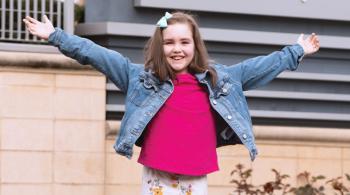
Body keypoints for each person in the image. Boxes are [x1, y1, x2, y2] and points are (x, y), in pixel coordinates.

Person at [23, 11, 320, 195]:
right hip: (157, 173)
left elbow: (261, 66)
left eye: (184, 42)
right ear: (160, 46)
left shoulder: (220, 80)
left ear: (195, 46)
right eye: (169, 43)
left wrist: (297, 50)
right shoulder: (140, 78)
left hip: (195, 174)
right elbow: (98, 55)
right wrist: (56, 36)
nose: (177, 49)